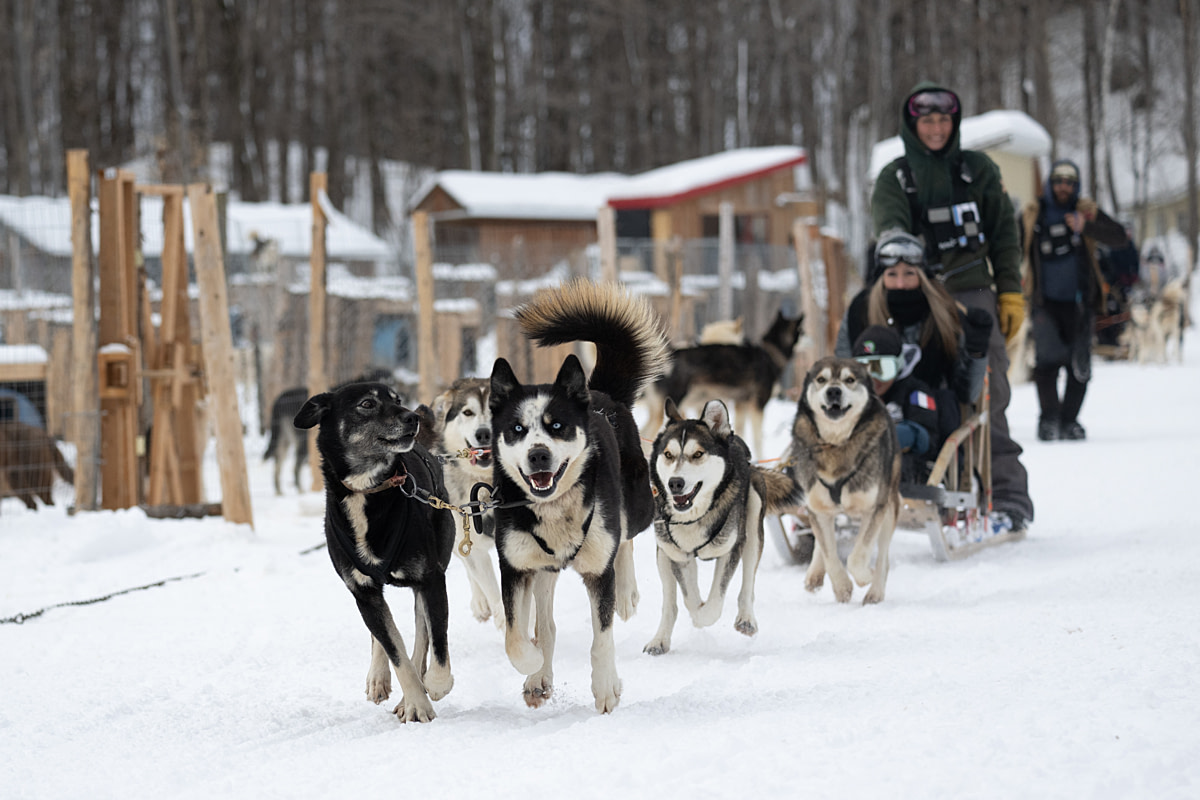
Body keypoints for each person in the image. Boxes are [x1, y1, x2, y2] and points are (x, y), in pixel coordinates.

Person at [870, 81, 1033, 535]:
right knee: (916, 388)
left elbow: (1004, 235)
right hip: (915, 296)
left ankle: (1008, 499)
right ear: (912, 125)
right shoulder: (895, 179)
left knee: (986, 395)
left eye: (944, 120)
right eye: (928, 121)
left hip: (973, 294)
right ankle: (905, 481)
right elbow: (891, 233)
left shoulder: (978, 171)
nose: (937, 128)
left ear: (954, 124)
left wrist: (1010, 291)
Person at [835, 231, 993, 450]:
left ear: (922, 275)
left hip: (926, 414)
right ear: (881, 277)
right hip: (867, 411)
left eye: (909, 273)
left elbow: (967, 392)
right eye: (892, 274)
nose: (900, 283)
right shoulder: (860, 311)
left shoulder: (944, 313)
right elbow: (842, 373)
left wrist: (976, 351)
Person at [1020, 159, 1128, 441]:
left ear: (1076, 185)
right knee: (1046, 365)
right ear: (1049, 183)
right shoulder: (1034, 213)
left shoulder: (1085, 211)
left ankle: (1070, 420)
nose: (1063, 187)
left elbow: (1120, 238)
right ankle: (1049, 419)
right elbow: (1010, 243)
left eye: (1070, 181)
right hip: (1045, 300)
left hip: (1082, 303)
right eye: (1058, 180)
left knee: (1079, 367)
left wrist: (1086, 226)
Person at [851, 325, 942, 479]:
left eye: (883, 369)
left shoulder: (915, 393)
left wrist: (906, 434)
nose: (874, 378)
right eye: (864, 370)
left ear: (898, 365)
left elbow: (928, 440)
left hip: (906, 476)